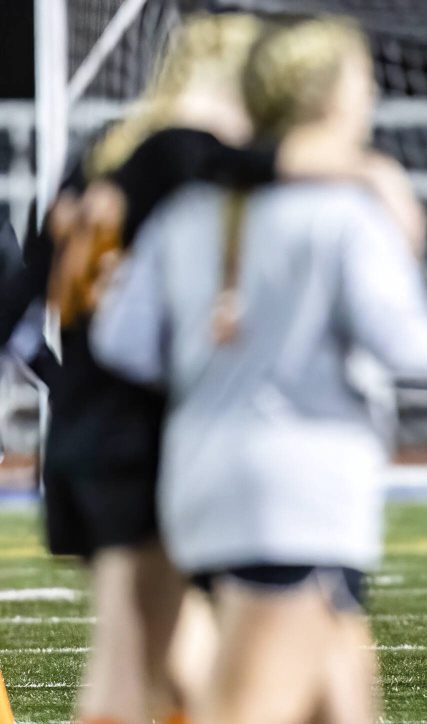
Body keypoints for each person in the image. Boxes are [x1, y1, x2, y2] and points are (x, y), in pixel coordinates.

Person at [90, 17, 427, 723]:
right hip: (298, 502)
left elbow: (123, 341)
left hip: (202, 492)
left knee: (344, 704)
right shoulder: (341, 212)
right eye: (364, 79)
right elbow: (404, 344)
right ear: (331, 99)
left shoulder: (190, 212)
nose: (375, 92)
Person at [37, 13, 264, 724]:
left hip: (81, 439)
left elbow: (17, 312)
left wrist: (67, 388)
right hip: (152, 442)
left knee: (146, 665)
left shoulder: (101, 155)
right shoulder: (186, 158)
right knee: (165, 672)